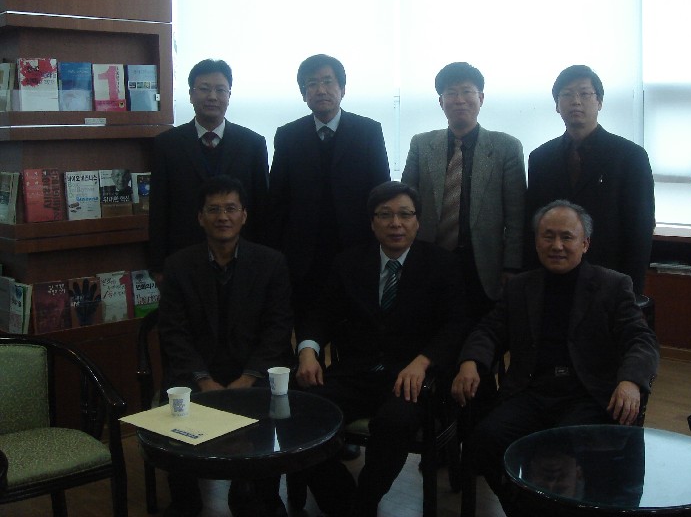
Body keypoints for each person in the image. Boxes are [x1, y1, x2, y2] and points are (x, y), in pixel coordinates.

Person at [451, 199, 659, 516]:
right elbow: (489, 329)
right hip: (531, 392)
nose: (557, 246)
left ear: (585, 243)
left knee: (562, 448)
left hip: (586, 395)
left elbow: (641, 339)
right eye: (548, 236)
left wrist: (630, 381)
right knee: (485, 440)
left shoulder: (612, 285)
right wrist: (471, 363)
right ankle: (524, 509)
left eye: (567, 237)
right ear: (536, 241)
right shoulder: (520, 287)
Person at [295, 181, 468, 517]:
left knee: (394, 423)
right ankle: (342, 501)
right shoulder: (349, 262)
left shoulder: (441, 264)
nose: (396, 224)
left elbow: (457, 324)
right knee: (302, 412)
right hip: (356, 372)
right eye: (385, 215)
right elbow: (320, 314)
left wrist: (423, 361)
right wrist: (307, 351)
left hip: (411, 378)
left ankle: (364, 502)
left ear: (418, 221)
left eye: (405, 215)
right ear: (372, 222)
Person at [158, 175, 293, 517]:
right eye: (214, 209)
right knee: (178, 402)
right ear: (200, 217)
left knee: (270, 400)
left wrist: (248, 377)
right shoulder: (178, 266)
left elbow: (277, 329)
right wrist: (203, 380)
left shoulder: (271, 262)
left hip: (252, 369)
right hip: (197, 370)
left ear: (244, 215)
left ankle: (260, 494)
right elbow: (173, 333)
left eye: (231, 208)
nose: (223, 217)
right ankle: (186, 500)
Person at [267, 53, 389, 335]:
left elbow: (381, 193)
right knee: (307, 330)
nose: (321, 90)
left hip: (356, 249)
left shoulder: (368, 131)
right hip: (303, 256)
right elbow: (277, 201)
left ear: (342, 89)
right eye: (312, 84)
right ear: (303, 94)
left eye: (328, 82)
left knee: (356, 329)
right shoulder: (288, 135)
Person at [401, 61, 526, 323]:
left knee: (480, 329)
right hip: (430, 257)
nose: (459, 100)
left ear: (481, 98)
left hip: (483, 263)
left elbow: (516, 216)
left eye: (467, 92)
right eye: (451, 93)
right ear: (441, 102)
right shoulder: (421, 145)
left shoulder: (506, 147)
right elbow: (406, 205)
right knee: (430, 325)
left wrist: (512, 266)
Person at [525, 65, 655, 294]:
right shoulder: (540, 158)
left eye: (585, 94)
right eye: (567, 94)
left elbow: (639, 229)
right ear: (557, 105)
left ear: (599, 102)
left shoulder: (630, 156)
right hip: (552, 276)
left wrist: (632, 289)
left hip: (609, 277)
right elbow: (533, 223)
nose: (576, 101)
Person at [148, 58, 270, 277]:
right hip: (183, 257)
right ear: (191, 95)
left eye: (220, 90)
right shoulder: (167, 144)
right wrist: (158, 266)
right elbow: (159, 209)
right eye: (204, 89)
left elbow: (261, 208)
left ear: (229, 95)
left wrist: (264, 261)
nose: (212, 96)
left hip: (242, 259)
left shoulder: (253, 144)